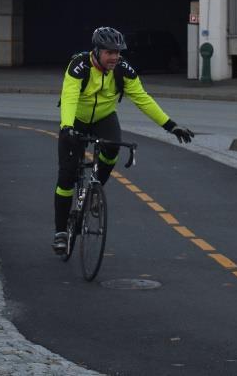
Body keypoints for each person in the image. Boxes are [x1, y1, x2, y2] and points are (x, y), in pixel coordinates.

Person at [52, 26, 194, 254]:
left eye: (118, 52)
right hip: (76, 119)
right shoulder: (79, 66)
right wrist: (67, 127)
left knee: (112, 150)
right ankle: (60, 232)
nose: (115, 57)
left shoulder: (123, 70)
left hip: (104, 117)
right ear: (97, 51)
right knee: (67, 176)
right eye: (110, 52)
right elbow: (69, 97)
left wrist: (171, 125)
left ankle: (94, 191)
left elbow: (143, 99)